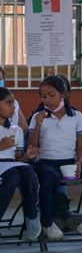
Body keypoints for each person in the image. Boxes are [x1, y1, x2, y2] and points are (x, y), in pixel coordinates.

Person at [29, 76, 82, 245]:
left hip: (69, 162)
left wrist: (79, 162)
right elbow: (31, 145)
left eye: (51, 95)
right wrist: (38, 125)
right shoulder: (37, 117)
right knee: (47, 177)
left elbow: (81, 146)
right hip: (46, 163)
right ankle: (46, 222)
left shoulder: (76, 116)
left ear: (64, 94)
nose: (47, 99)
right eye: (43, 96)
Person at [0, 87, 40, 240]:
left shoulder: (14, 129)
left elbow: (17, 158)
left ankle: (31, 215)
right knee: (13, 177)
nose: (13, 107)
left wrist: (27, 157)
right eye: (8, 103)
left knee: (27, 171)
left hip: (11, 164)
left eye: (14, 103)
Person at [0, 66, 28, 132]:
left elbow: (24, 127)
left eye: (0, 79)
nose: (12, 106)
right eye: (8, 103)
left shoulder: (14, 102)